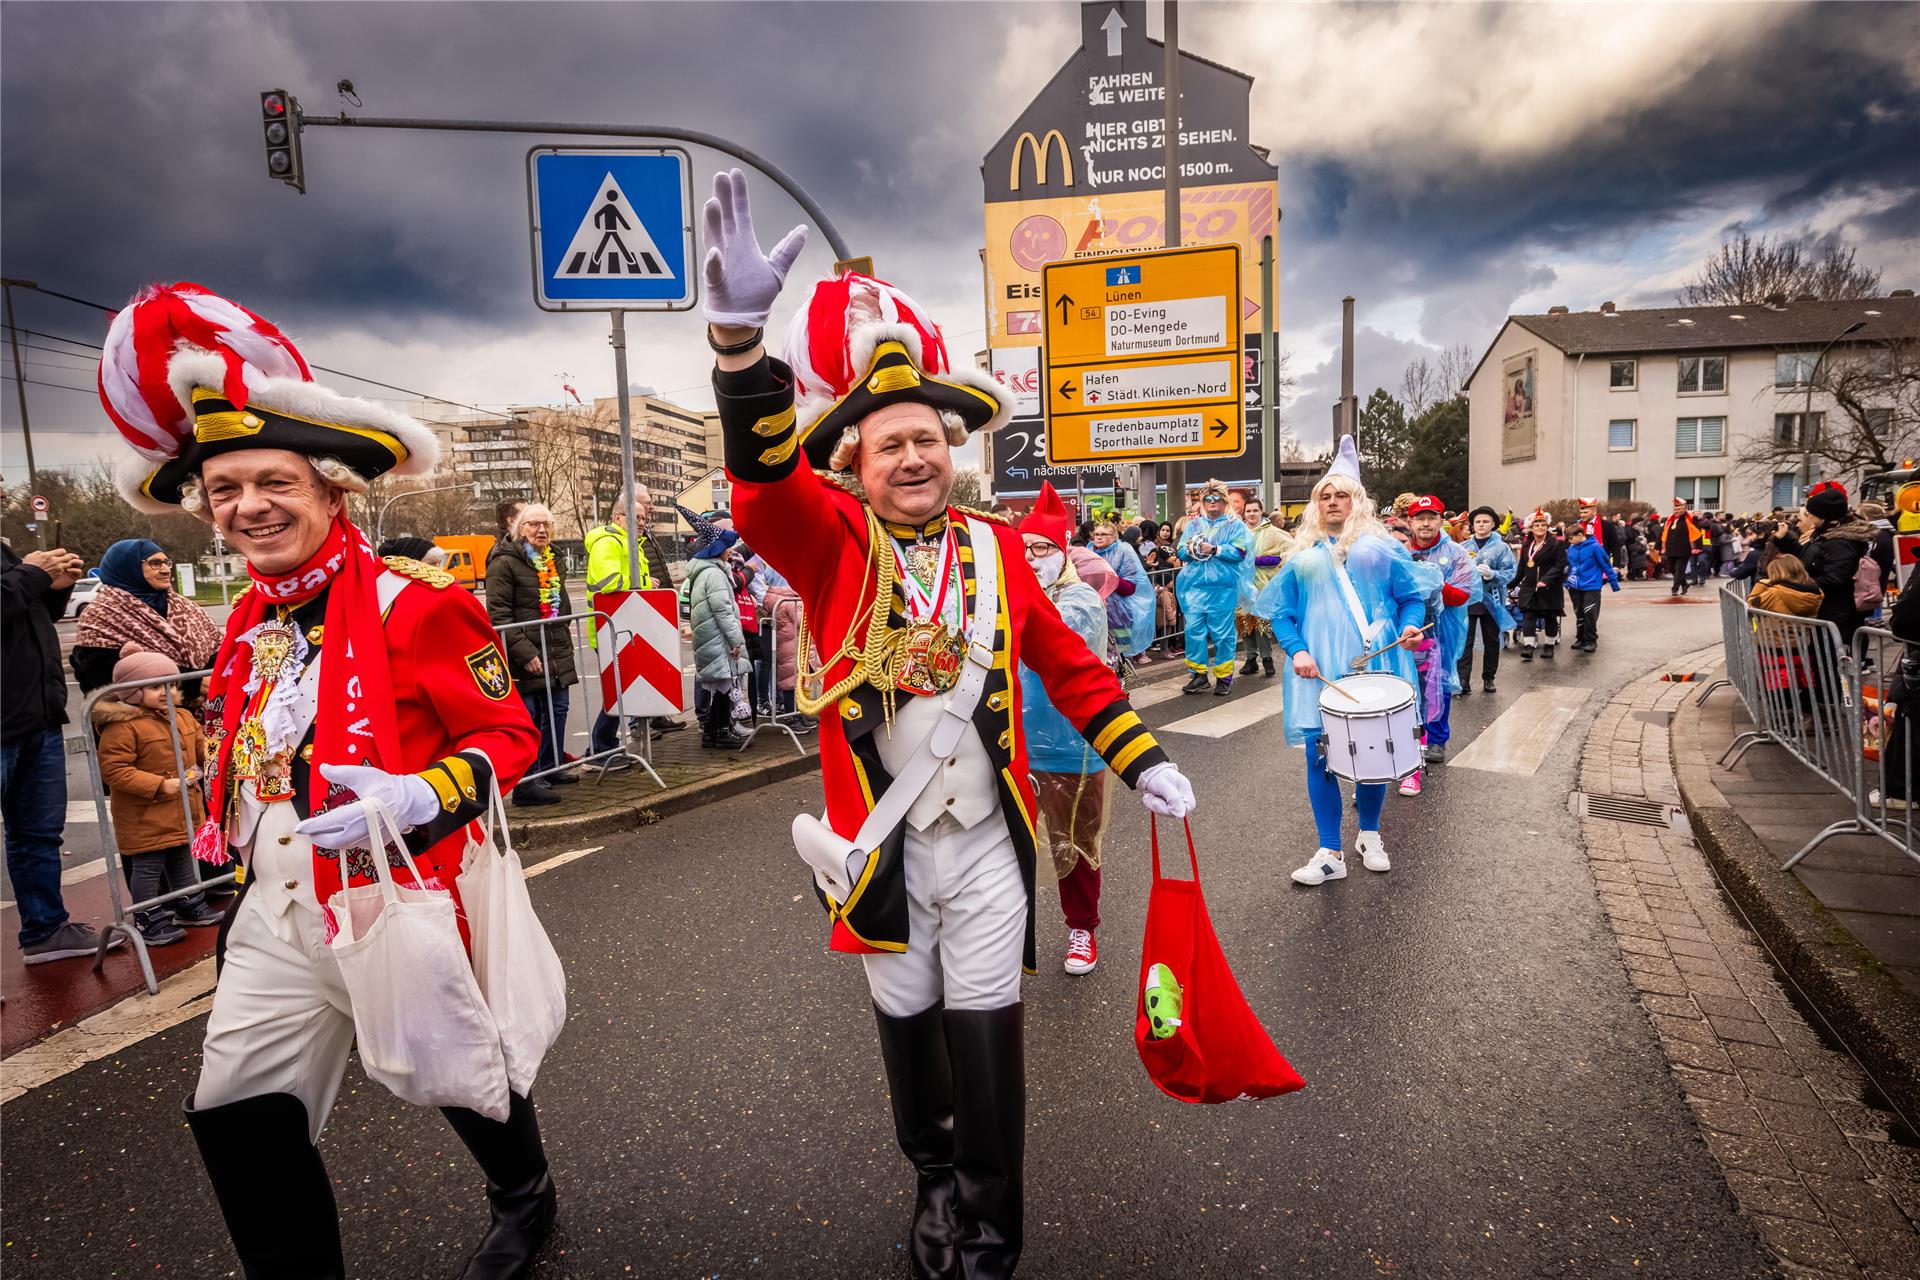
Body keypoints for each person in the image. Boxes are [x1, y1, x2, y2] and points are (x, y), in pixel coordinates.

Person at [703, 170, 1194, 1278]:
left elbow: (1072, 668)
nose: (913, 456)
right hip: (877, 848)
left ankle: (988, 1233)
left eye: (927, 437)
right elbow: (760, 491)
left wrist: (1144, 755)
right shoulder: (827, 540)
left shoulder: (998, 547)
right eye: (888, 446)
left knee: (988, 1042)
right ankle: (931, 1175)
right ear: (855, 467)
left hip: (983, 845)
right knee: (910, 1033)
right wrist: (742, 354)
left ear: (952, 447)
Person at [96, 282, 552, 1280]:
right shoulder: (245, 629)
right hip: (276, 912)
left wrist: (424, 794)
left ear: (330, 490)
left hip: (398, 892)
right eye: (226, 490)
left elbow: (511, 733)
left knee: (459, 1072)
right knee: (237, 1117)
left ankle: (525, 1192)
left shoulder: (417, 606)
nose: (249, 506)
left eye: (274, 481)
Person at [1257, 438, 1425, 886]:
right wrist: (1298, 650)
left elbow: (1411, 599)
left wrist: (1409, 628)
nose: (1333, 502)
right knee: (1319, 756)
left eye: (1341, 495)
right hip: (1320, 668)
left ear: (1358, 501)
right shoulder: (1302, 555)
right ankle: (1329, 849)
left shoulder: (1381, 547)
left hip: (1377, 659)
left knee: (1375, 753)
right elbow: (1283, 613)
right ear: (1316, 505)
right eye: (1325, 496)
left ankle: (1369, 833)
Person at [3, 521, 123, 963]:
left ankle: (45, 930)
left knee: (37, 835)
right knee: (33, 835)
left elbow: (23, 618)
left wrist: (53, 588)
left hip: (35, 718)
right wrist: (30, 574)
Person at [1017, 486, 1120, 975]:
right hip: (1009, 742)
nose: (1031, 559)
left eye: (1041, 549)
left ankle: (1082, 928)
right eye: (1022, 550)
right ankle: (1005, 932)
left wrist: (1018, 594)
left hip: (1069, 746)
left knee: (1075, 842)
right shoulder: (1003, 596)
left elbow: (1058, 636)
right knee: (1002, 843)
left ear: (1062, 555)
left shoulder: (1080, 598)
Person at [91, 649, 224, 944]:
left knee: (183, 857)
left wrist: (216, 760)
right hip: (145, 814)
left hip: (183, 808)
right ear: (132, 693)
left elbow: (203, 749)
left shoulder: (184, 717)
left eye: (171, 685)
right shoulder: (123, 727)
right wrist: (158, 785)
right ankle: (148, 915)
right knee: (148, 867)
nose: (167, 692)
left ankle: (188, 901)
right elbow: (114, 770)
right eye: (155, 687)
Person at [487, 503, 577, 806]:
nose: (541, 530)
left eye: (546, 525)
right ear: (519, 528)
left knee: (558, 709)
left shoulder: (553, 559)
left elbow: (561, 605)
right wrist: (524, 652)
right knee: (533, 717)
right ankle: (527, 783)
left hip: (555, 648)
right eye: (534, 524)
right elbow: (499, 614)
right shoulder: (504, 562)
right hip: (526, 652)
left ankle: (552, 767)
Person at [70, 537, 223, 694]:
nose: (165, 569)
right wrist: (197, 685)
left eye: (166, 562)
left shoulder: (186, 606)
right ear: (128, 567)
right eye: (155, 563)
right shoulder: (100, 615)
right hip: (144, 714)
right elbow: (108, 676)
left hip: (204, 710)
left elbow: (220, 652)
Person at [1403, 495, 1475, 770]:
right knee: (1405, 682)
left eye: (1431, 517)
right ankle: (1407, 734)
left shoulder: (1455, 553)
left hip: (1438, 630)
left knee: (1437, 683)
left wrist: (1436, 582)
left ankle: (1436, 739)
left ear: (1441, 520)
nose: (1425, 523)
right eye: (1420, 518)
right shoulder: (1400, 548)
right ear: (1411, 521)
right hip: (1404, 629)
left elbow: (1463, 594)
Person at [679, 506, 750, 749]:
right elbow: (723, 611)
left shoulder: (705, 573)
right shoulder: (715, 575)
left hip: (710, 638)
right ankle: (719, 731)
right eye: (727, 546)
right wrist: (736, 641)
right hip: (719, 640)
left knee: (721, 686)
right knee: (724, 687)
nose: (731, 550)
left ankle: (711, 730)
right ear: (718, 549)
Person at [1176, 479, 1253, 695]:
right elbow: (1180, 551)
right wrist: (1192, 549)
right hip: (1193, 588)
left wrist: (1215, 549)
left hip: (1222, 589)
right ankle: (1199, 675)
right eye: (1207, 499)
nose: (1211, 503)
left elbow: (1240, 553)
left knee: (1223, 634)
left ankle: (1224, 677)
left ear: (1223, 502)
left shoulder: (1234, 525)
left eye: (1216, 499)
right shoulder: (1193, 525)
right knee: (1193, 632)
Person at [1798, 480, 1877, 646]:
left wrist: (1800, 584)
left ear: (1824, 515)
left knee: (1829, 662)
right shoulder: (1824, 533)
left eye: (1811, 513)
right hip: (1823, 608)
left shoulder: (1840, 541)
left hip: (1833, 612)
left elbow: (1835, 578)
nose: (1809, 517)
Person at [1456, 506, 1517, 695]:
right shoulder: (1463, 547)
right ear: (1472, 525)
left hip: (1492, 599)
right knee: (1465, 641)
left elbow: (1510, 572)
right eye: (1478, 522)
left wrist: (1493, 574)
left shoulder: (1501, 548)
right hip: (1469, 600)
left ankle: (1489, 677)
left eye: (1485, 521)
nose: (1481, 525)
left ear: (1493, 524)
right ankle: (1463, 680)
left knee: (1491, 640)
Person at [1237, 495, 1294, 678]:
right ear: (1244, 513)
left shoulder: (1273, 532)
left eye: (1255, 510)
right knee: (1244, 620)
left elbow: (1289, 551)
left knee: (1262, 620)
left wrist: (1264, 560)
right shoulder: (1238, 532)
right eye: (1248, 511)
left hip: (1264, 584)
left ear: (1261, 511)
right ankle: (1251, 658)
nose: (1252, 514)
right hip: (1241, 584)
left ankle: (1267, 658)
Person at [1089, 514, 1155, 669]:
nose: (1099, 537)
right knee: (1097, 659)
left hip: (1119, 615)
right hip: (1094, 613)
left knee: (1119, 660)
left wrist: (1109, 577)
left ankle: (1121, 690)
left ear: (1114, 536)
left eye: (1104, 534)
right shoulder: (1087, 553)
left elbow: (1130, 588)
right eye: (1096, 534)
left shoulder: (1123, 552)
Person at [1515, 512, 1568, 660]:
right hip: (1530, 587)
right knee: (1528, 616)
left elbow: (1560, 565)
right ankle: (1528, 646)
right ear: (1531, 528)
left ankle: (1549, 646)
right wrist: (1510, 584)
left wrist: (1546, 579)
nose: (1540, 527)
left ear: (1547, 527)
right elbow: (1521, 568)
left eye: (1543, 525)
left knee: (1550, 617)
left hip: (1549, 587)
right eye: (1536, 525)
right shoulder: (1526, 545)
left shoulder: (1556, 544)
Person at [1564, 520, 1621, 653]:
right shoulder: (1571, 549)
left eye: (1571, 538)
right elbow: (1569, 567)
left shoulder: (1595, 547)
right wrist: (1566, 582)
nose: (1569, 541)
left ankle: (1591, 639)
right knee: (1579, 612)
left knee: (1589, 611)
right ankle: (1580, 638)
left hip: (1592, 585)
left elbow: (1605, 564)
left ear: (1579, 535)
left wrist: (1614, 582)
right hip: (1575, 586)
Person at [1660, 498, 1703, 595]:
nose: (1677, 511)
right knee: (1671, 568)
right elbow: (1663, 533)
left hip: (1684, 549)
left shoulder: (1690, 519)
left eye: (1679, 509)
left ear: (1684, 509)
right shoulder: (1670, 520)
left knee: (1679, 569)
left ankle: (1674, 588)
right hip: (1671, 549)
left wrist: (1696, 547)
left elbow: (1697, 532)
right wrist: (1661, 546)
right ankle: (1684, 584)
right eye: (1675, 509)